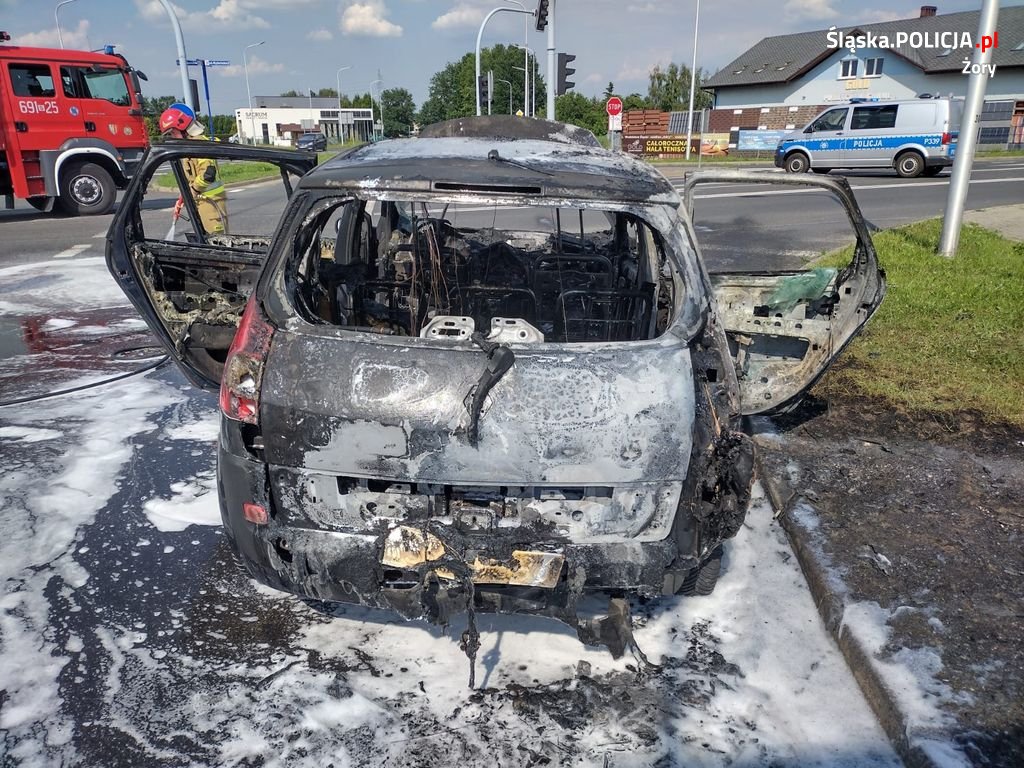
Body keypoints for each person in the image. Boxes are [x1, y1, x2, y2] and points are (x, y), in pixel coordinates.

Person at [158, 102, 229, 234]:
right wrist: (183, 196)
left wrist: (193, 190)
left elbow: (208, 173)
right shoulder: (191, 146)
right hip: (203, 202)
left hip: (212, 204)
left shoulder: (199, 145)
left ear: (182, 127)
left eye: (173, 133)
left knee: (216, 243)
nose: (173, 137)